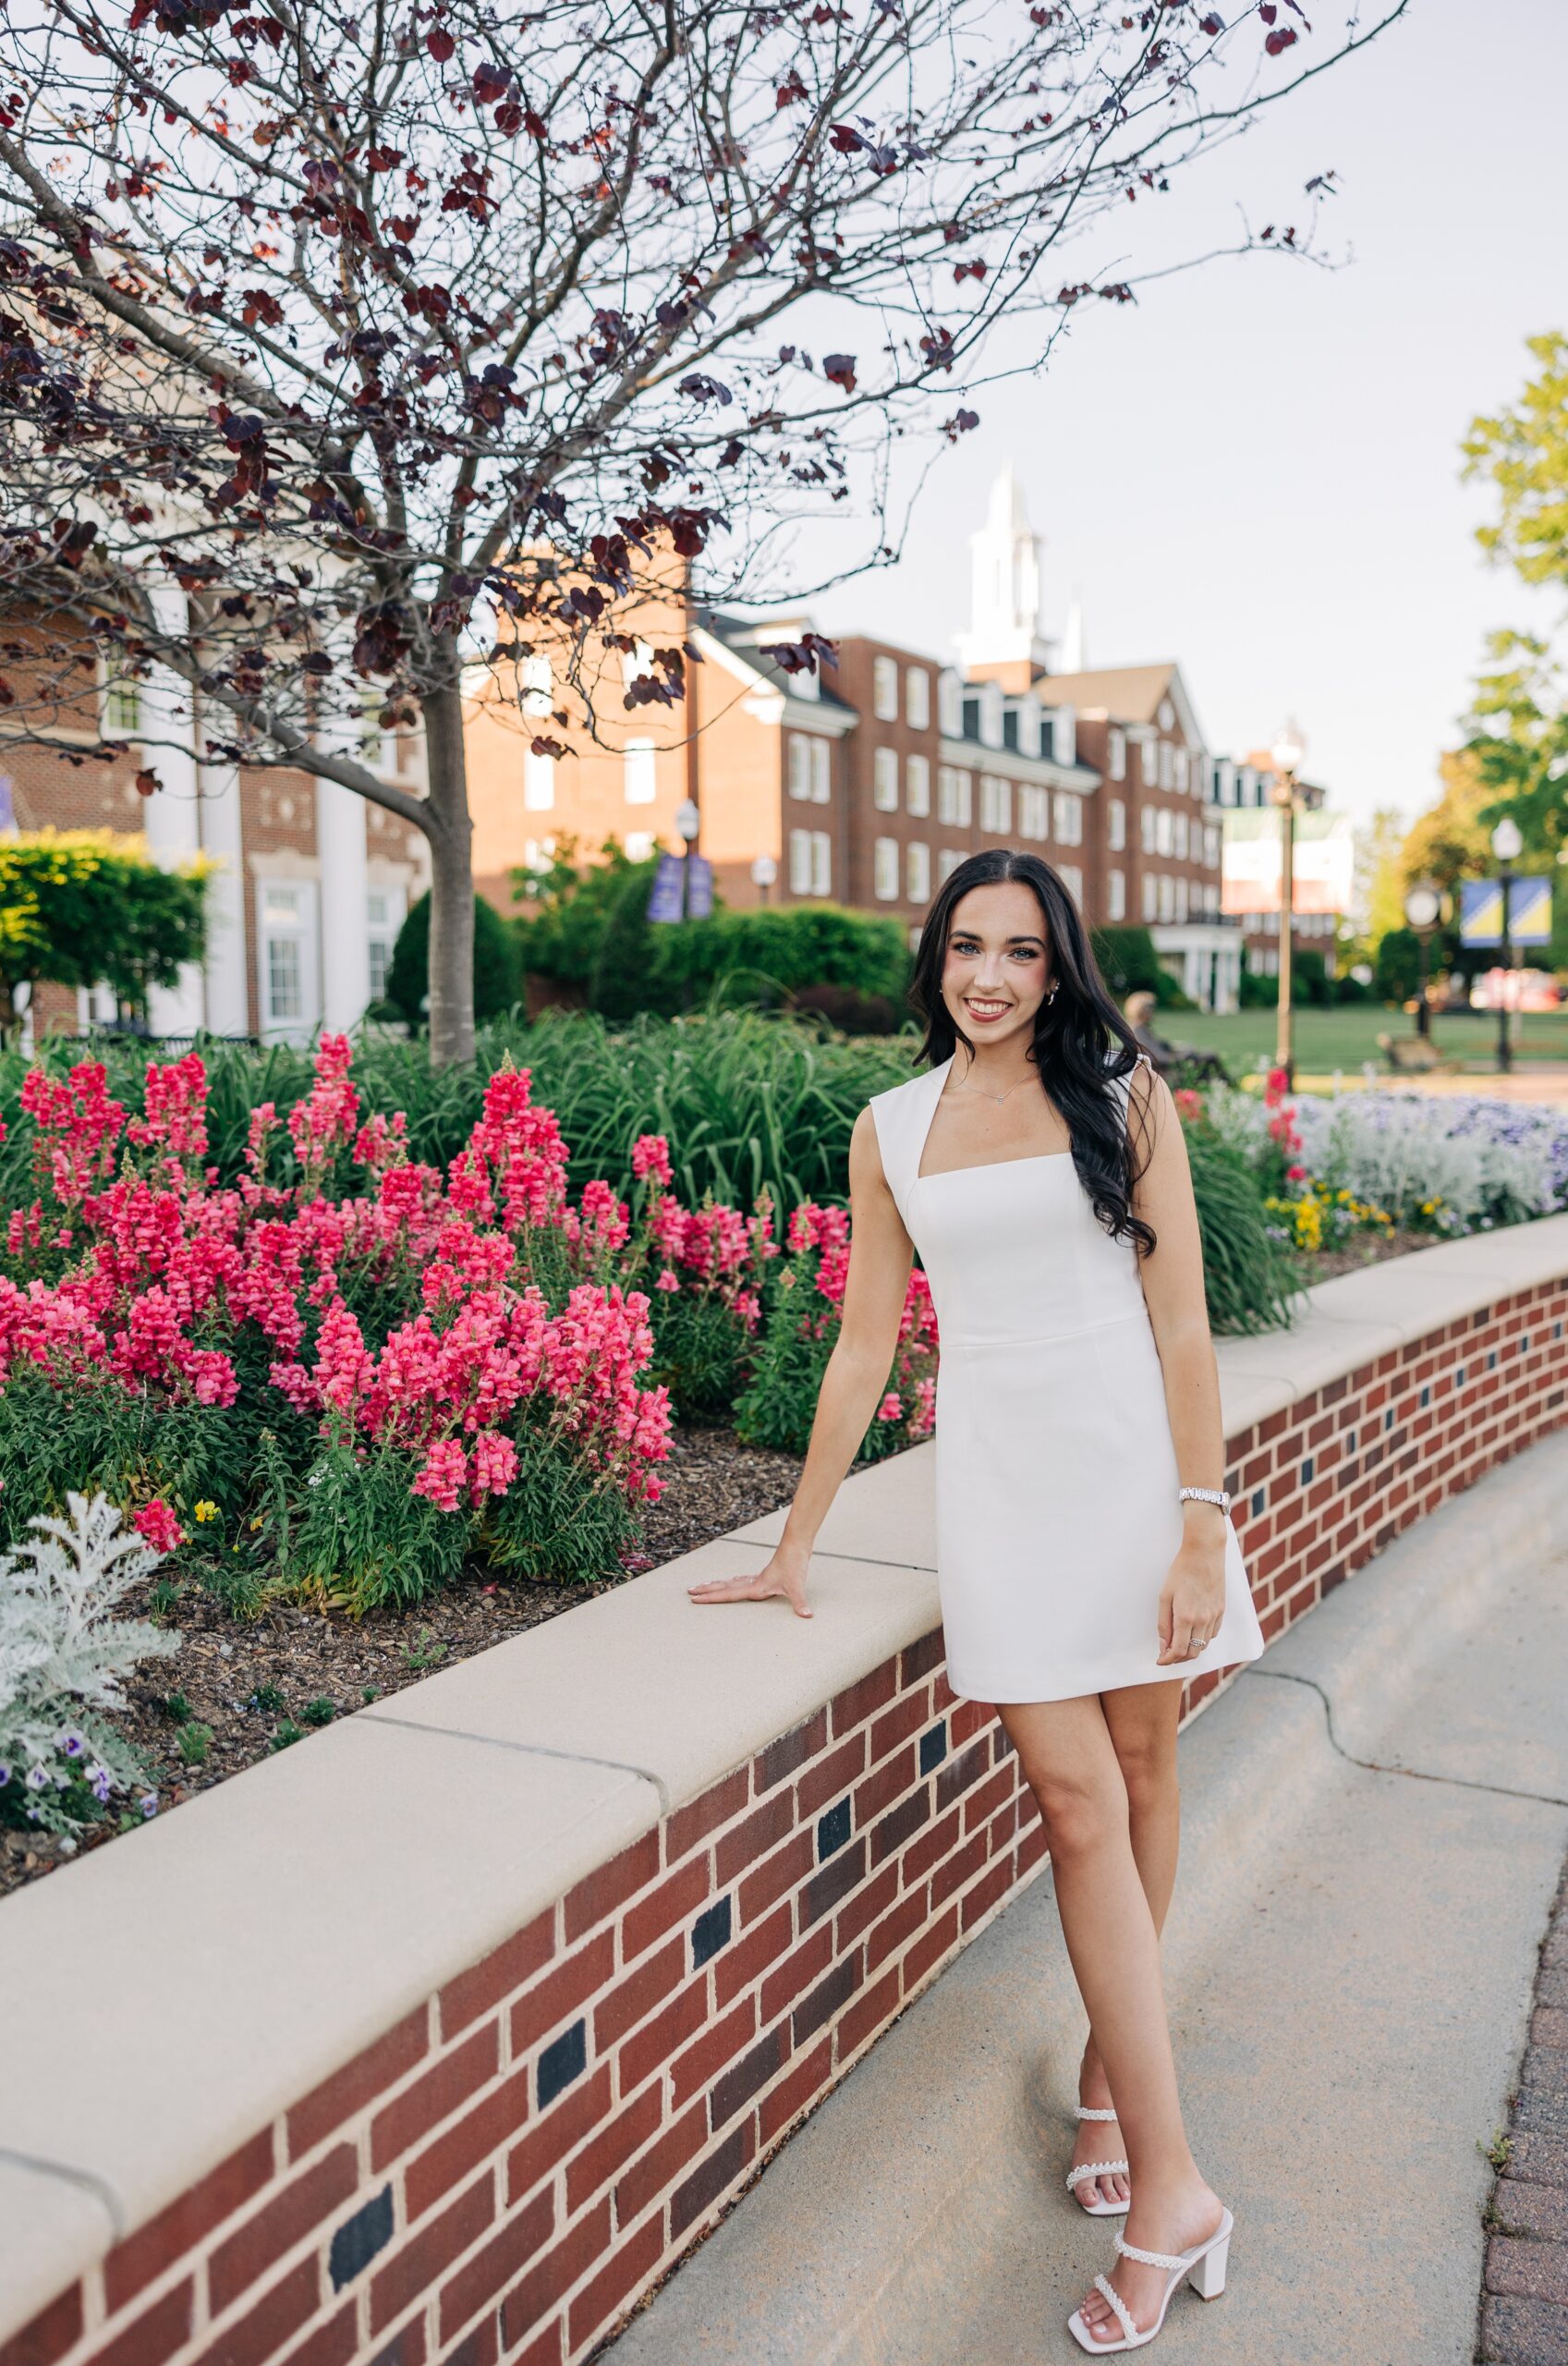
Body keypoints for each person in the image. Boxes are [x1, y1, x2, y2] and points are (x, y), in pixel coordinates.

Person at [687, 848, 1265, 2353]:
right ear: (932, 962)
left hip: (1135, 1475)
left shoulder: (1120, 1093)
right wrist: (797, 1541)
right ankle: (1172, 2187)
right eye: (964, 948)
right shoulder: (891, 1127)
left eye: (1019, 950)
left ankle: (1106, 2081)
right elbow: (864, 1346)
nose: (990, 975)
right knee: (1076, 1806)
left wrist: (1201, 1524)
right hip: (1002, 1491)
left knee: (1143, 1774)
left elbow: (1183, 1320)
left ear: (1057, 964)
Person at [1122, 990, 1228, 1085]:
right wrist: (1186, 1055)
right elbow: (1159, 1058)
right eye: (1150, 1007)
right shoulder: (1139, 1031)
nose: (1153, 1011)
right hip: (1166, 1073)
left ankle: (1222, 1087)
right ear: (1140, 1010)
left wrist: (1178, 1047)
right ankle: (1229, 1086)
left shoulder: (1141, 1029)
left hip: (1166, 1069)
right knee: (1210, 1057)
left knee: (1206, 1060)